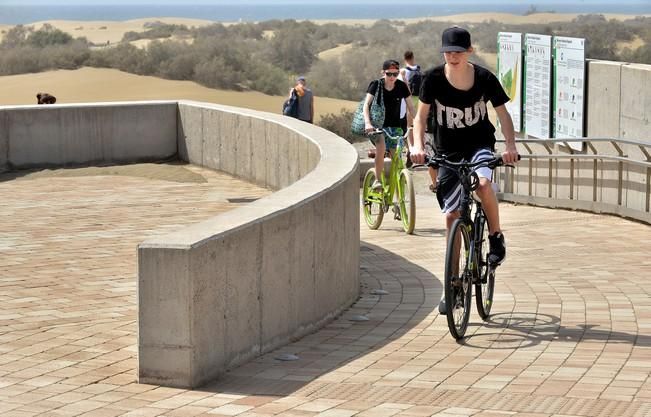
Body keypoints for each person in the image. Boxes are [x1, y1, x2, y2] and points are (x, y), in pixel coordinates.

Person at [409, 26, 519, 313]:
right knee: (451, 216)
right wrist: (417, 146)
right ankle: (453, 286)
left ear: (469, 51)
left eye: (458, 51)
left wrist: (509, 146)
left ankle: (495, 236)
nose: (452, 56)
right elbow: (420, 118)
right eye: (447, 51)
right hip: (447, 151)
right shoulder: (432, 79)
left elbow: (503, 115)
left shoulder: (484, 78)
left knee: (483, 186)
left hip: (479, 145)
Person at [364, 59, 416, 191]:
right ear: (383, 72)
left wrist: (418, 122)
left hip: (395, 127)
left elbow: (411, 107)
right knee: (381, 146)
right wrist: (368, 123)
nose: (392, 77)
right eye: (389, 74)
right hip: (377, 127)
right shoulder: (376, 85)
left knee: (397, 157)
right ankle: (377, 180)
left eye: (395, 74)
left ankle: (397, 191)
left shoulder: (401, 86)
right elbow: (366, 105)